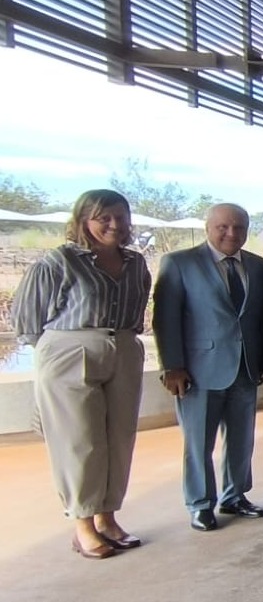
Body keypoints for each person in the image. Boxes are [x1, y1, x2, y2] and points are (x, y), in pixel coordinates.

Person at [14, 189, 151, 558]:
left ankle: (107, 518)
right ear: (83, 221)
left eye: (121, 217)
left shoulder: (136, 262)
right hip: (70, 352)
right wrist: (58, 355)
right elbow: (27, 322)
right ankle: (83, 525)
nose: (114, 224)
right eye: (103, 217)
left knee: (118, 438)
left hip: (123, 349)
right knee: (79, 442)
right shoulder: (59, 261)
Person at [154, 203, 263, 532]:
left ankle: (235, 496)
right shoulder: (180, 263)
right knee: (199, 443)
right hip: (197, 371)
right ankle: (200, 503)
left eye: (239, 227)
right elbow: (165, 319)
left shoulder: (258, 266)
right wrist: (172, 365)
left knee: (241, 439)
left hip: (245, 367)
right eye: (223, 227)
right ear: (208, 228)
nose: (231, 233)